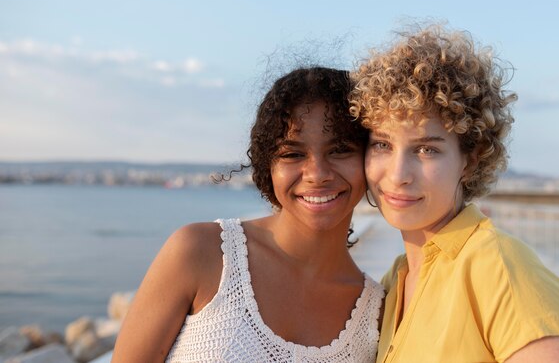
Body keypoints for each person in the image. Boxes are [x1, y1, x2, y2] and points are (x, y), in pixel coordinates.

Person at [349, 24, 559, 363]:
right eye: (382, 144)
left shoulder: (499, 270)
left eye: (426, 149)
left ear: (470, 158)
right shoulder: (396, 279)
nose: (397, 175)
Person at [112, 67, 384, 362]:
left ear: (370, 158)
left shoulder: (377, 314)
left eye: (340, 149)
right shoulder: (202, 253)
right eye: (292, 154)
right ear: (268, 165)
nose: (317, 174)